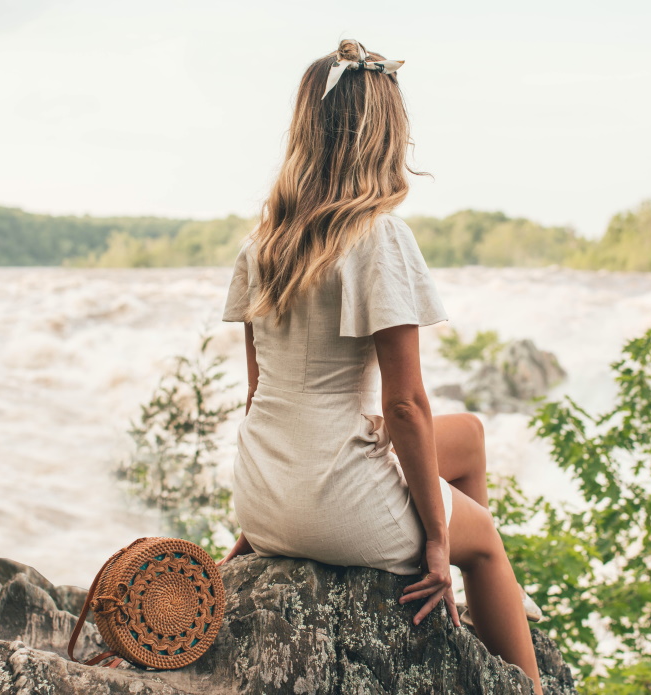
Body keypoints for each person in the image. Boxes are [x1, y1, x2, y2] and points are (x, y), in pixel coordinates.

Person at [215, 38, 544, 694]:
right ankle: (524, 674)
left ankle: (481, 606)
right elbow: (405, 407)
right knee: (484, 541)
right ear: (383, 135)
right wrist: (439, 543)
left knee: (470, 436)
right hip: (338, 506)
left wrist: (255, 526)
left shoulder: (264, 243)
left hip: (264, 496)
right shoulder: (379, 235)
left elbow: (260, 394)